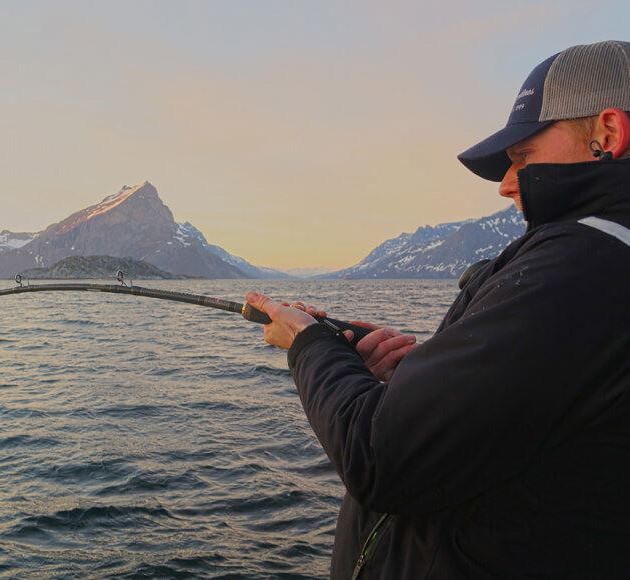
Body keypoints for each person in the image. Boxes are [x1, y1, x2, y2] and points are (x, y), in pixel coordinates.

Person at [246, 40, 630, 578]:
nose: (506, 185)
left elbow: (381, 456)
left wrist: (308, 343)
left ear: (607, 134)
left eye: (522, 156)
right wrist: (426, 378)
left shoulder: (583, 263)